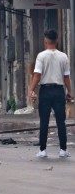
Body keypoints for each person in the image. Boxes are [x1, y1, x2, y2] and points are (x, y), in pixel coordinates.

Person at [28, 29, 72, 158]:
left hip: (45, 91)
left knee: (44, 121)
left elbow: (37, 75)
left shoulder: (41, 56)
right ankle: (63, 150)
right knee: (61, 121)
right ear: (56, 41)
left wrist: (31, 90)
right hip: (59, 91)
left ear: (45, 41)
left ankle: (42, 150)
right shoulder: (63, 56)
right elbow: (66, 77)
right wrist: (70, 92)